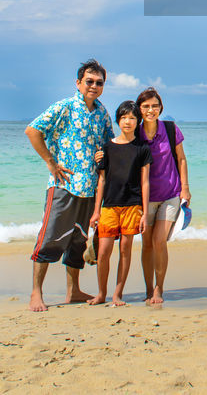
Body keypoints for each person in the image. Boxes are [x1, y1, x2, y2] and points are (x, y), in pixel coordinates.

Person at [25, 59, 113, 312]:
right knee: (49, 238)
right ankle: (36, 293)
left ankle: (73, 291)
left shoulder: (102, 113)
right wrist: (51, 163)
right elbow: (33, 131)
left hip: (90, 187)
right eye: (89, 81)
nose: (94, 86)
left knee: (78, 240)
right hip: (64, 185)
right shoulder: (64, 107)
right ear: (78, 83)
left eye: (99, 83)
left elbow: (107, 145)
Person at [88, 101, 151, 307]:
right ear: (118, 120)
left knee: (125, 249)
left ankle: (117, 294)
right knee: (104, 251)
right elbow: (102, 181)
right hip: (109, 207)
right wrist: (96, 211)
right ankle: (100, 293)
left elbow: (145, 181)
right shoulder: (107, 147)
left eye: (132, 118)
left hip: (132, 206)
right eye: (124, 118)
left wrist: (145, 212)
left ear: (137, 121)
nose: (128, 121)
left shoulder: (142, 148)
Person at [135, 87, 189, 307]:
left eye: (155, 106)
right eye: (146, 106)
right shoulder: (134, 133)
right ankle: (148, 288)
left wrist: (185, 187)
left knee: (159, 241)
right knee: (146, 244)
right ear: (139, 109)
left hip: (170, 194)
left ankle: (159, 287)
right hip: (144, 199)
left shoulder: (170, 129)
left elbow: (182, 159)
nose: (151, 110)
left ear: (161, 108)